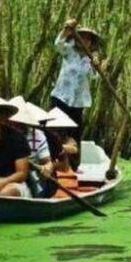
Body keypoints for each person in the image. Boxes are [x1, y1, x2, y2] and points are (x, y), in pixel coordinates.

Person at [50, 18, 102, 167]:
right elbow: (58, 44)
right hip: (60, 97)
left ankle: (73, 165)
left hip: (77, 102)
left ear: (91, 43)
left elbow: (94, 76)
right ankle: (53, 163)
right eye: (82, 37)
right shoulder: (69, 50)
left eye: (88, 39)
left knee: (74, 133)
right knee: (57, 132)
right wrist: (67, 29)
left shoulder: (89, 59)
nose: (85, 41)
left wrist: (96, 66)